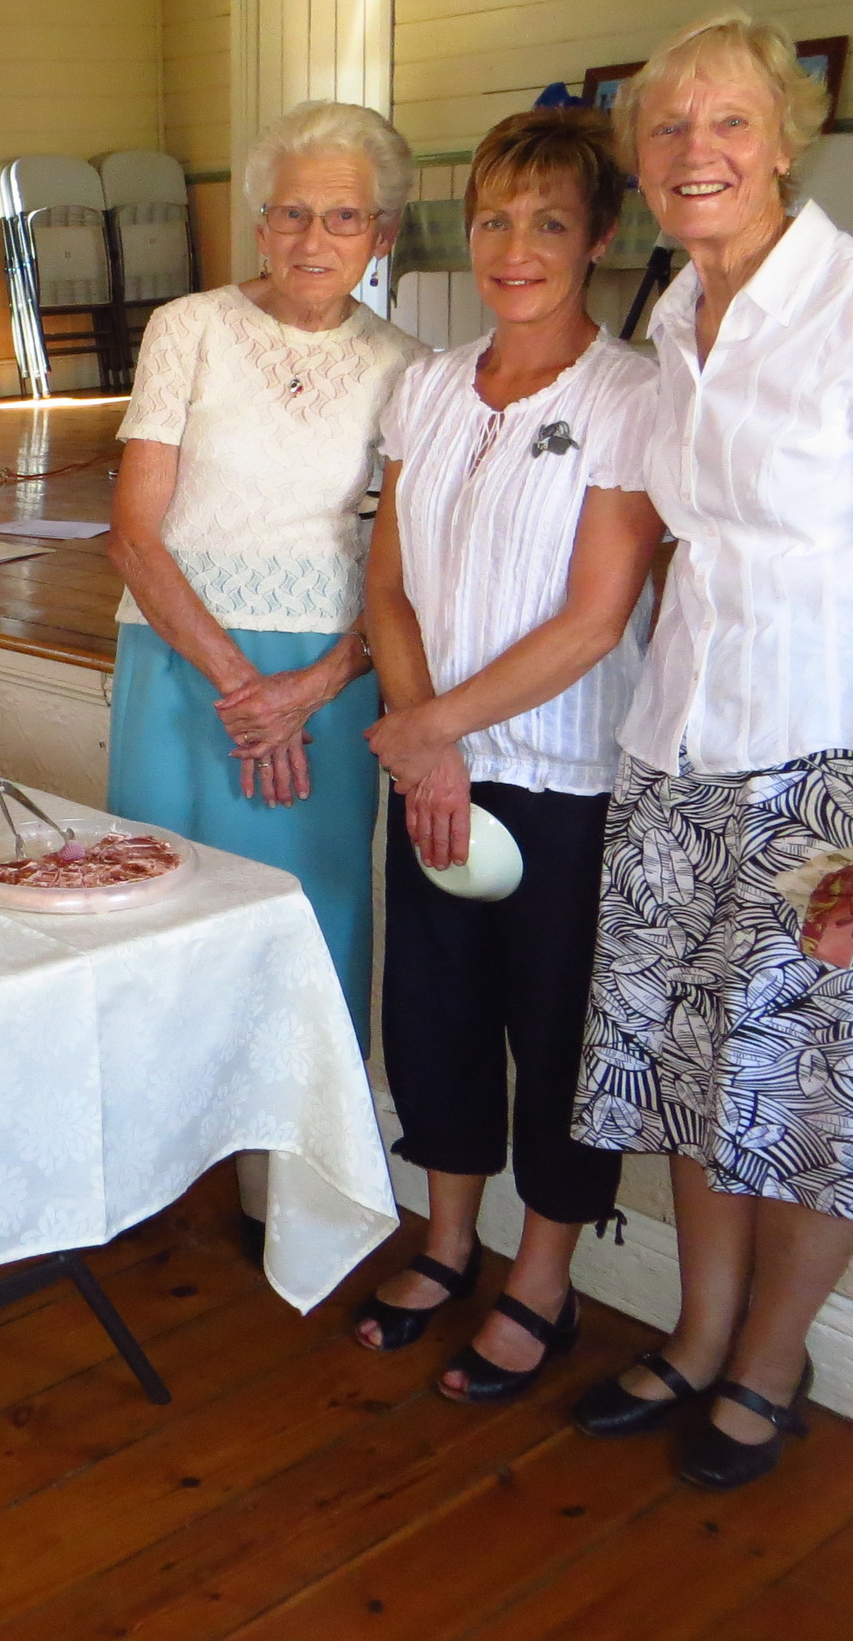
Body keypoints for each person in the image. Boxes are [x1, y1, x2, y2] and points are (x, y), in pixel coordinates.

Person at [565, 9, 853, 1490]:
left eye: (728, 121)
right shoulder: (676, 315)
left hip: (849, 764)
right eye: (666, 127)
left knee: (821, 1095)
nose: (694, 149)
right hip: (687, 752)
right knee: (698, 1068)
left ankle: (769, 1360)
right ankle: (700, 1332)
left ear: (784, 143)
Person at [354, 109, 662, 1400]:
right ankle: (446, 1239)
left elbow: (595, 618)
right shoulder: (427, 385)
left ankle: (543, 1278)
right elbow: (389, 587)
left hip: (565, 780)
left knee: (557, 1031)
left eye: (547, 222)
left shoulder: (632, 396)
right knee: (434, 1013)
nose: (515, 248)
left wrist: (436, 729)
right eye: (493, 220)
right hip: (436, 768)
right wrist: (426, 741)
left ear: (598, 238)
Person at [108, 100, 429, 1042]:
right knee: (165, 914)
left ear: (382, 233)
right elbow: (133, 537)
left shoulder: (412, 368)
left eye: (343, 216)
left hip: (327, 675)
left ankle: (307, 1134)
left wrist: (307, 691)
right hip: (182, 662)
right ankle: (173, 1138)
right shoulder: (188, 328)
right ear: (260, 224)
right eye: (291, 213)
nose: (313, 238)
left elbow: (405, 570)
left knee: (308, 916)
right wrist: (246, 690)